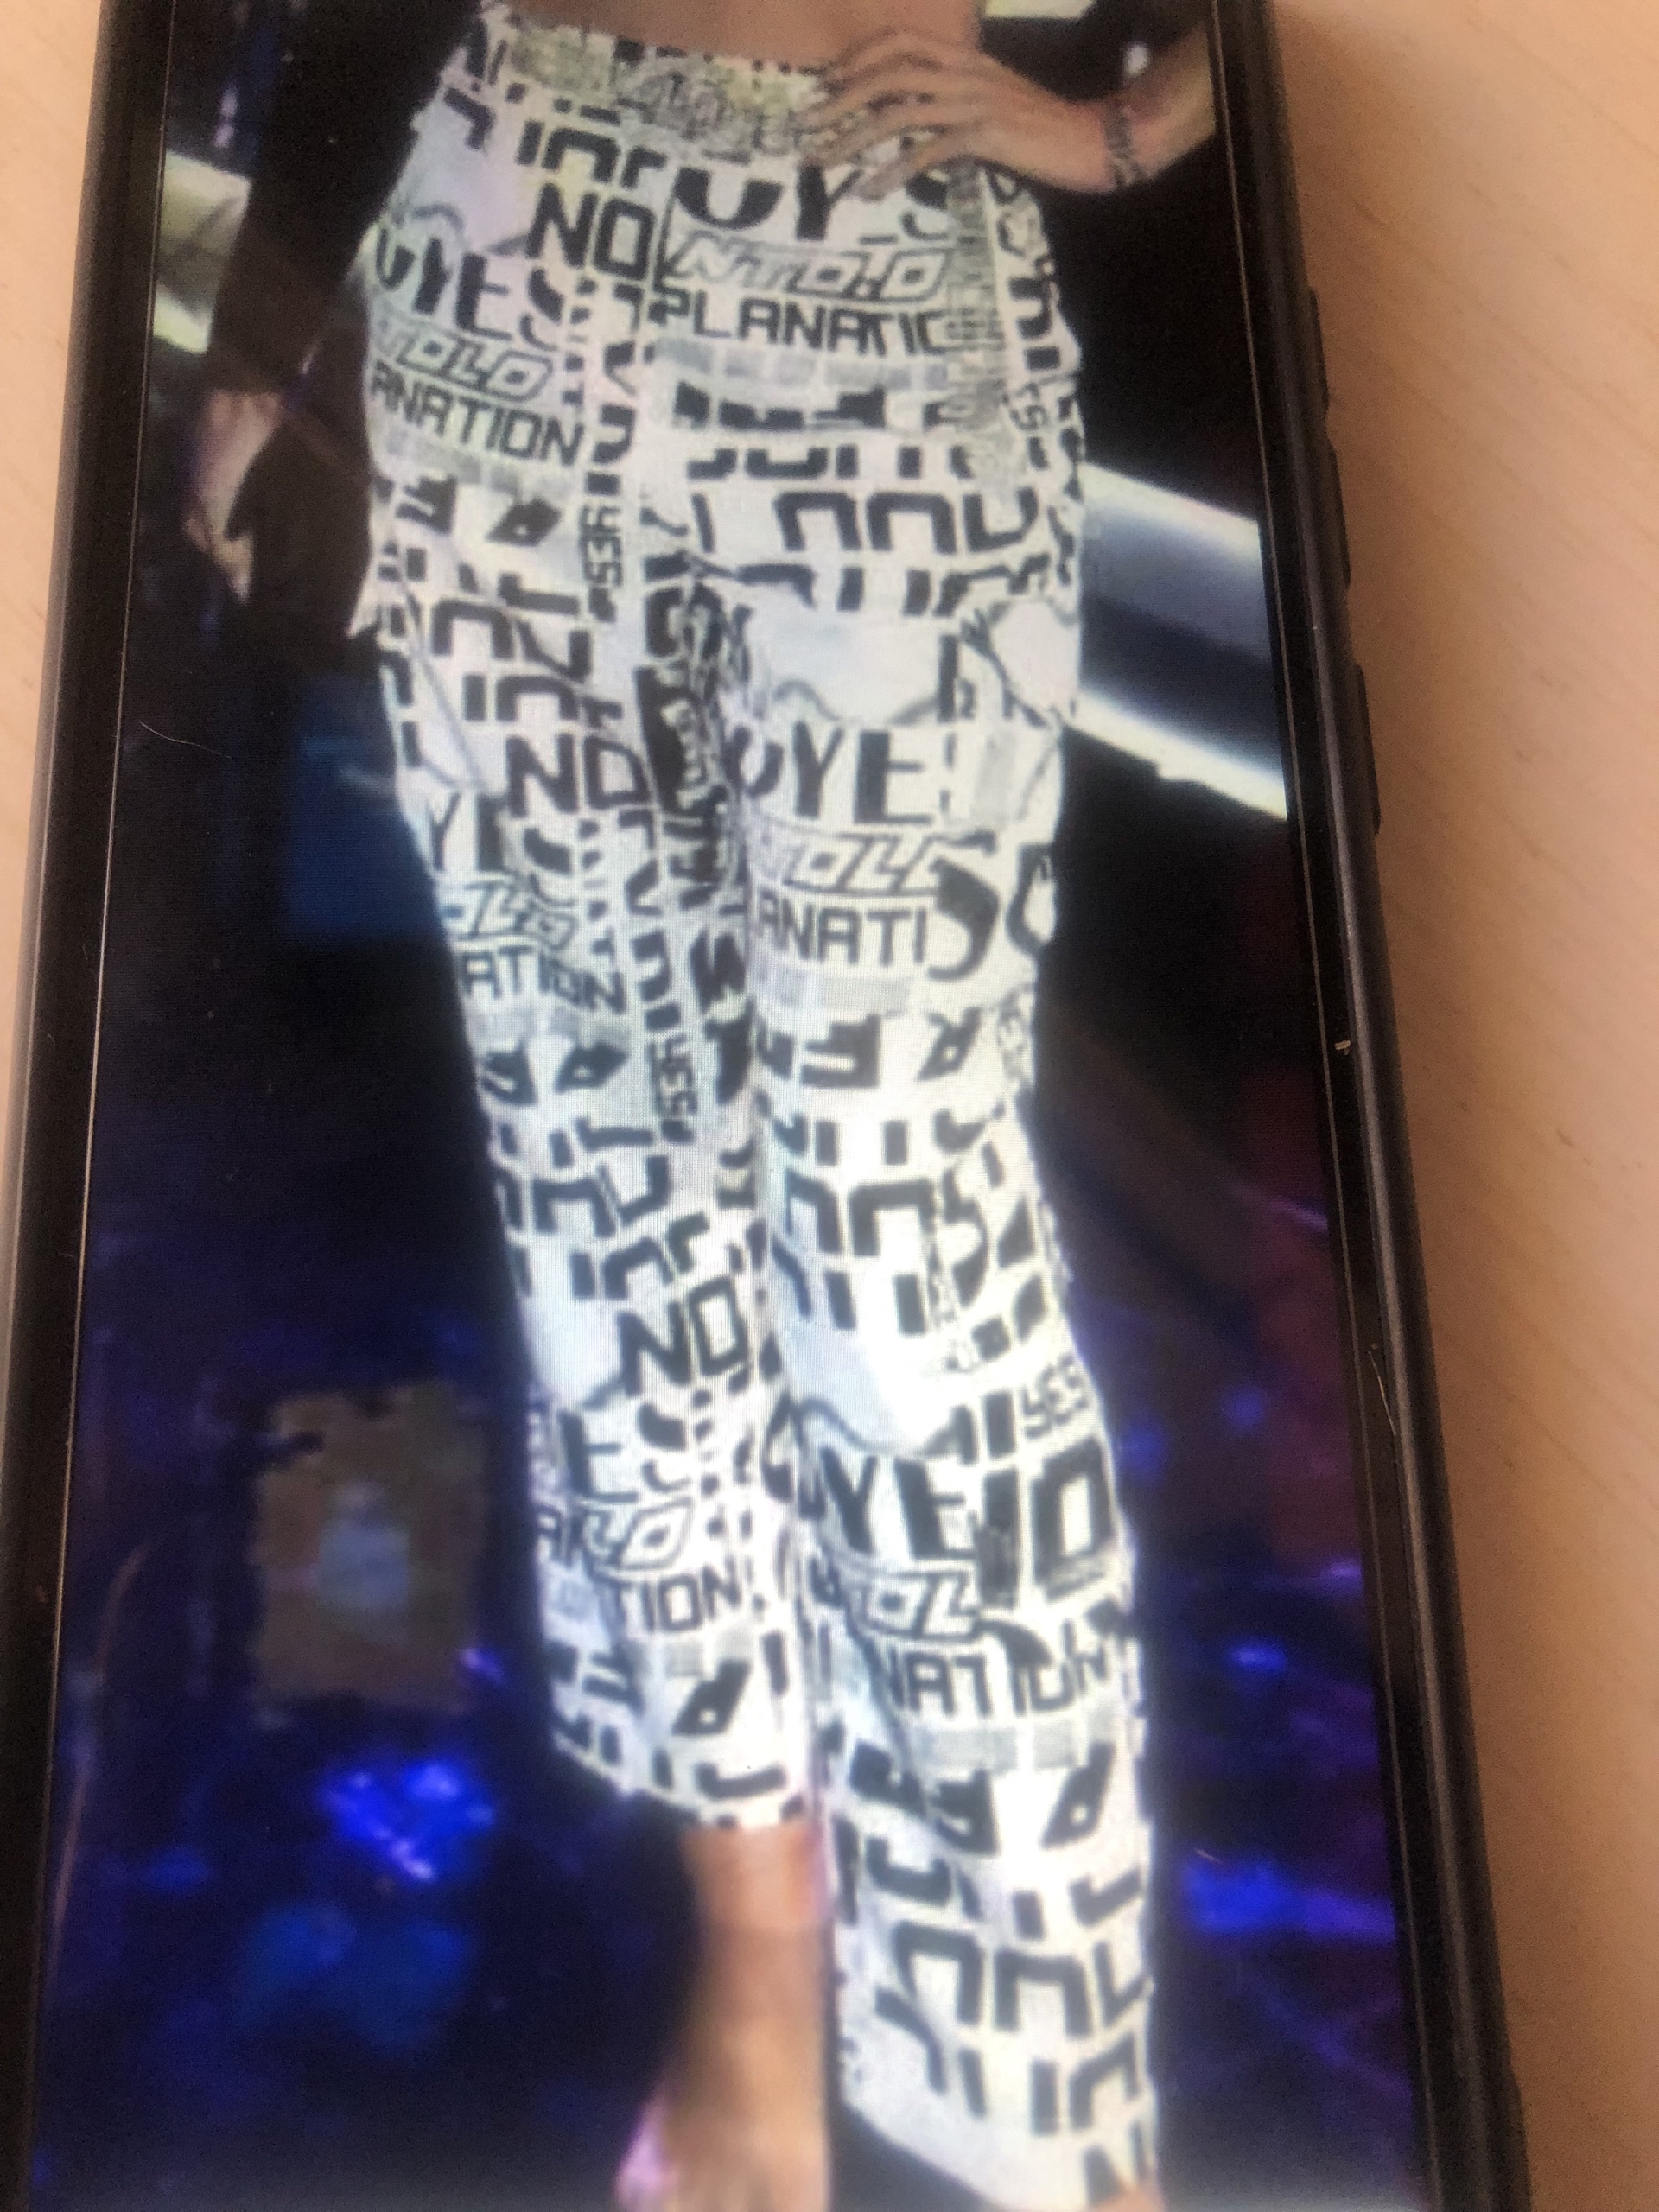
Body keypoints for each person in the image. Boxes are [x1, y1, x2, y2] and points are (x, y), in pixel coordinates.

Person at [187, 5, 1216, 2208]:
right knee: (604, 1148)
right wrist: (267, 331)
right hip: (509, 223)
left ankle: (1032, 2038)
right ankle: (759, 1910)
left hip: (885, 255)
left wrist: (1136, 123)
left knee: (896, 1185)